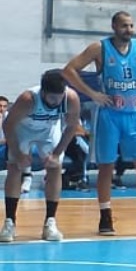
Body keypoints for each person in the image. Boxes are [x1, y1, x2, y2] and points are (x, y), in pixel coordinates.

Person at [62, 10, 136, 237]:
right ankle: (105, 216)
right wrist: (92, 94)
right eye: (124, 26)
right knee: (106, 167)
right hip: (109, 115)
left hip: (134, 115)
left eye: (131, 25)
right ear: (114, 27)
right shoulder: (99, 48)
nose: (129, 30)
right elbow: (69, 70)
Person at [0, 70, 80, 242]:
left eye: (59, 98)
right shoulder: (28, 99)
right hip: (23, 130)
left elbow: (72, 127)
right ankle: (9, 222)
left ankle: (50, 222)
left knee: (55, 167)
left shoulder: (71, 98)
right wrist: (19, 154)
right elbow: (8, 125)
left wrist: (56, 154)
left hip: (48, 130)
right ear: (43, 92)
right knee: (15, 168)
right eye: (52, 98)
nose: (56, 102)